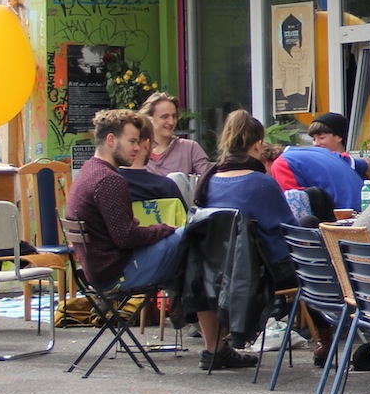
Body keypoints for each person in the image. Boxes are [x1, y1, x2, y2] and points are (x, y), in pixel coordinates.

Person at [67, 108, 250, 370]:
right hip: (120, 271)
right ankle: (220, 341)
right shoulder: (109, 180)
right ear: (110, 140)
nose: (138, 148)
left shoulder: (87, 172)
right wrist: (163, 229)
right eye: (131, 141)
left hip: (101, 270)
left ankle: (214, 344)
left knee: (194, 256)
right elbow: (126, 237)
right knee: (197, 235)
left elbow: (122, 234)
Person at [192, 110, 295, 275]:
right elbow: (290, 231)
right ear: (257, 144)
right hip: (264, 273)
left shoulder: (207, 182)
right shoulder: (262, 184)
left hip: (217, 273)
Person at [270, 112, 370, 212]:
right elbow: (369, 164)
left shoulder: (342, 159)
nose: (316, 143)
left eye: (321, 138)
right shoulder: (319, 158)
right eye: (313, 139)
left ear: (339, 137)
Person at [138, 92, 211, 179]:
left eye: (174, 116)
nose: (171, 122)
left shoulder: (190, 148)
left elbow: (208, 181)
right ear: (149, 119)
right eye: (165, 117)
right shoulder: (137, 150)